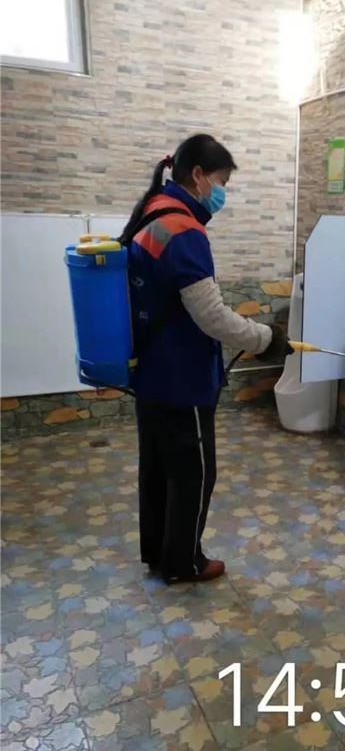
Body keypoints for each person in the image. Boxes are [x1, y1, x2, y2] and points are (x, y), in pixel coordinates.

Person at [121, 133, 288, 585]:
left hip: (150, 371)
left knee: (158, 470)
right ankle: (184, 563)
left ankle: (159, 554)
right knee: (193, 475)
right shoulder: (183, 230)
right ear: (198, 175)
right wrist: (266, 339)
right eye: (222, 181)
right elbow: (211, 316)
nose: (222, 192)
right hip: (181, 377)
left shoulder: (154, 214)